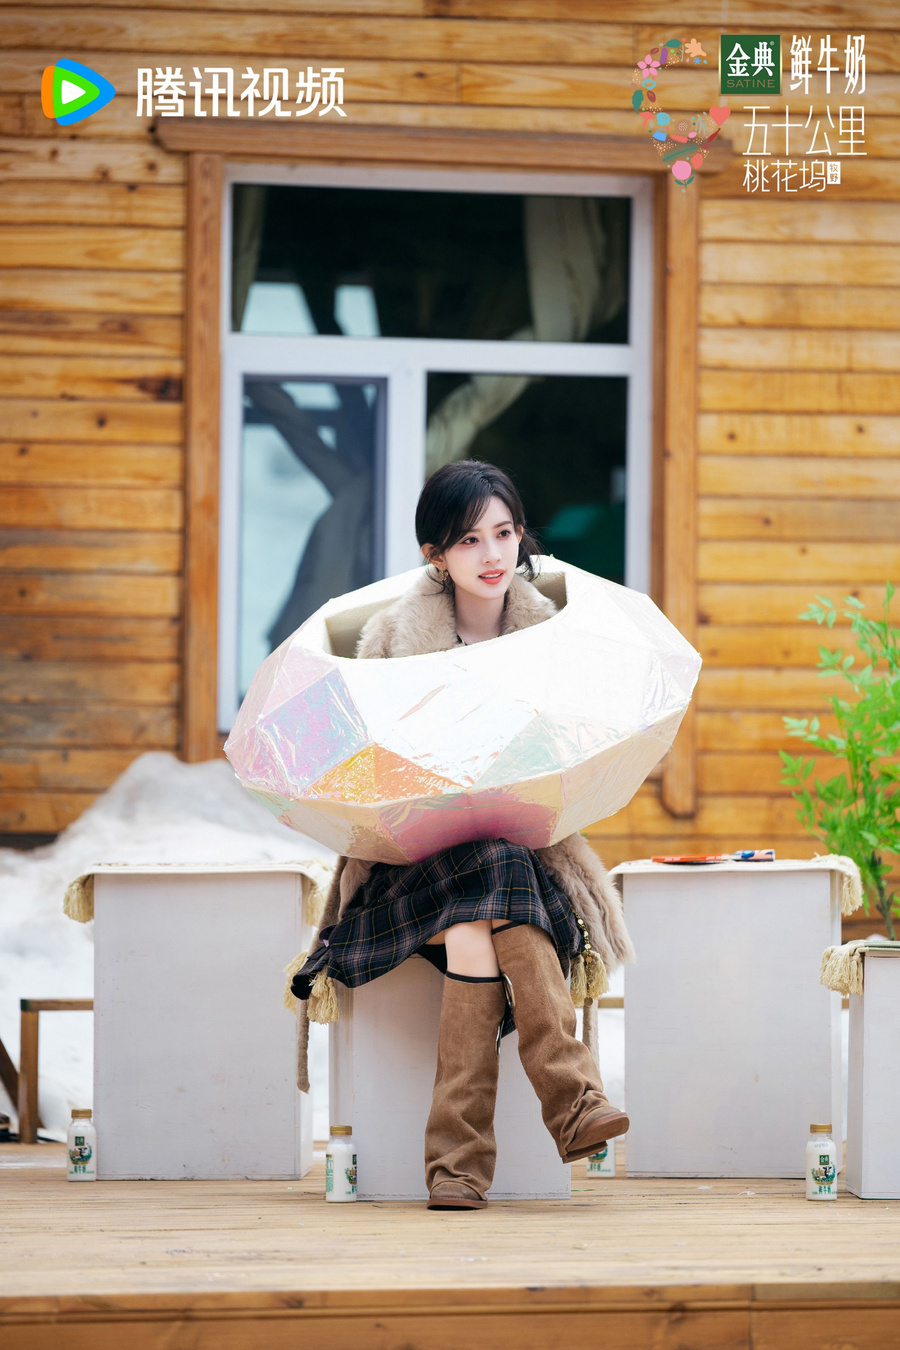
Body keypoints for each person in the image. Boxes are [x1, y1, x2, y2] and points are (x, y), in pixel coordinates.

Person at [290, 460, 635, 1211]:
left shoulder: (555, 638)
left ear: (522, 536)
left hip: (518, 863)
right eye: (469, 540)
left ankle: (457, 1168)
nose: (492, 554)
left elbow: (579, 758)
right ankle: (573, 1099)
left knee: (486, 907)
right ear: (435, 555)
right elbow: (359, 770)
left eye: (504, 533)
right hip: (412, 866)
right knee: (489, 872)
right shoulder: (390, 639)